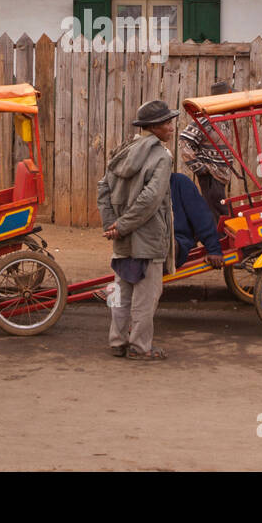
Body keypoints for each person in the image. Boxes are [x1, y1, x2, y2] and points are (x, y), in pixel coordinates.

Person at [98, 99, 176, 361]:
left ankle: (117, 341)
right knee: (146, 297)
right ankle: (140, 348)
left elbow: (103, 189)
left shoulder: (123, 150)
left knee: (121, 293)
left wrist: (113, 225)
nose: (171, 128)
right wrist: (121, 226)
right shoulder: (162, 157)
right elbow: (150, 200)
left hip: (122, 237)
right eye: (167, 123)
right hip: (148, 237)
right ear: (153, 127)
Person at [177, 81, 233, 219]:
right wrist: (200, 168)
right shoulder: (205, 120)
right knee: (218, 214)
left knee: (217, 211)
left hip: (221, 175)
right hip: (211, 175)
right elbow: (184, 140)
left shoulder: (224, 119)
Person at [169, 173, 225, 269]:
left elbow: (201, 217)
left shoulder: (180, 182)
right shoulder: (142, 186)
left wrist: (214, 249)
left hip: (175, 243)